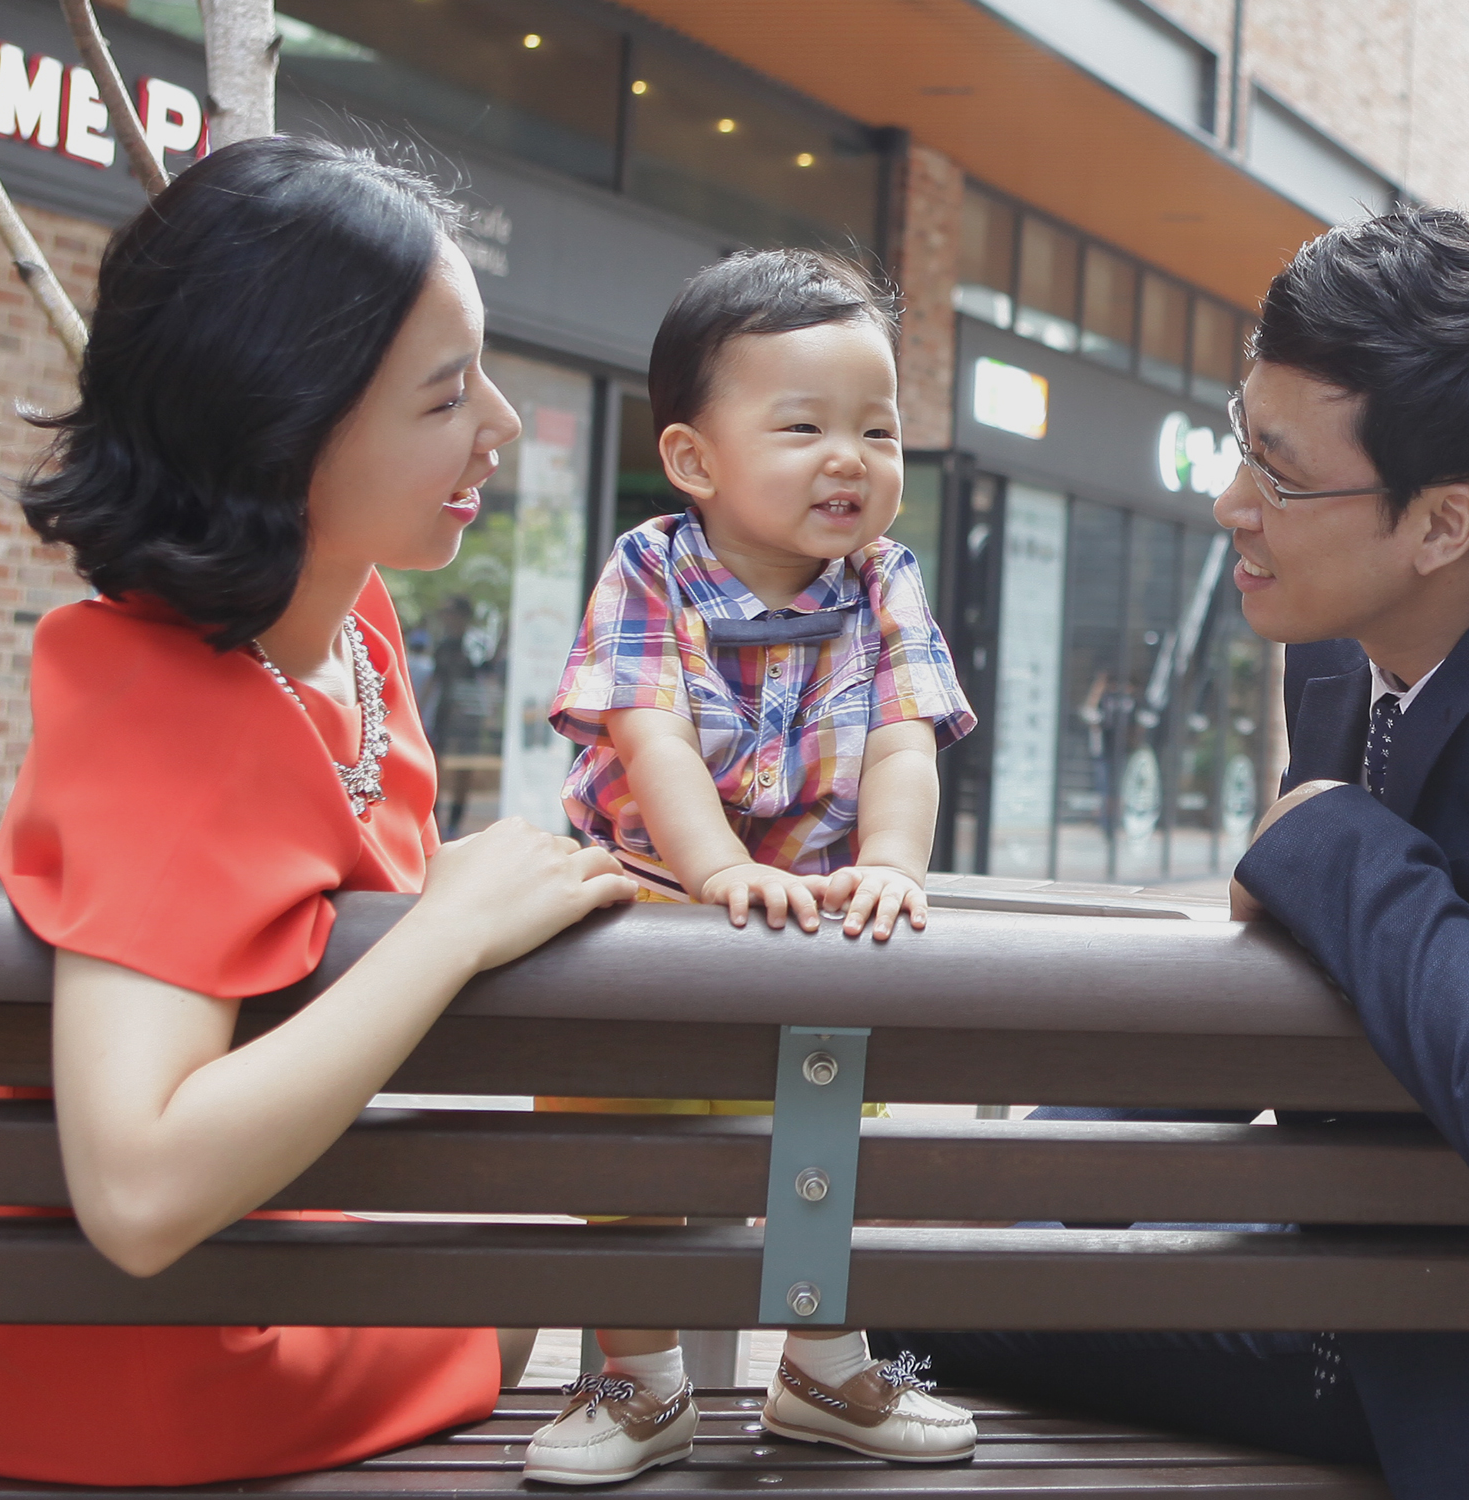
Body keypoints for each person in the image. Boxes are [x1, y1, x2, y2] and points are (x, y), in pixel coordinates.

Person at [876, 208, 1469, 1499]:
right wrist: (1026, 1173)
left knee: (911, 1303)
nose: (1231, 503)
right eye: (1244, 441)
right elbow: (1314, 966)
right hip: (1347, 1261)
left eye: (1283, 477)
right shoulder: (1343, 635)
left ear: (1444, 524)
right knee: (934, 1263)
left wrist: (1329, 833)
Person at [0, 139, 638, 1487]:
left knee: (507, 1292)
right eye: (444, 394)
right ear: (282, 424)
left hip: (207, 1291)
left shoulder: (352, 626)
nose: (497, 422)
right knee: (511, 1303)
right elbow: (137, 1195)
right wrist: (453, 928)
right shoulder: (161, 706)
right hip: (132, 1361)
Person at [528, 249, 979, 1484]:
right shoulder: (651, 566)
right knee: (623, 1150)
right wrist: (719, 870)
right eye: (803, 427)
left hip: (813, 927)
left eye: (877, 429)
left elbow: (902, 739)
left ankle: (826, 1368)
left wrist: (890, 864)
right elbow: (653, 736)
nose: (850, 458)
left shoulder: (884, 580)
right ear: (694, 458)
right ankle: (637, 1378)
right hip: (646, 917)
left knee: (824, 1143)